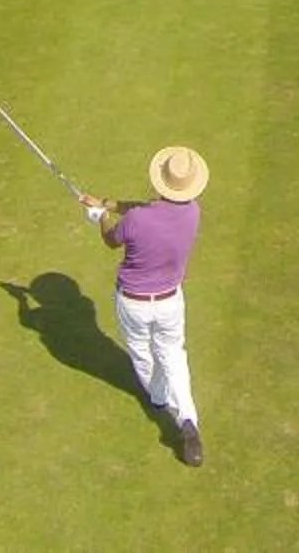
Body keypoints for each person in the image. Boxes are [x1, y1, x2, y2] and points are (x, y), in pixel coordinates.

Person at [80, 144, 209, 466]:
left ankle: (157, 398)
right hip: (169, 300)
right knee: (173, 355)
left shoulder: (137, 220)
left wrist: (100, 216)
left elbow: (111, 240)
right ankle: (188, 419)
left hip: (134, 302)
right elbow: (146, 210)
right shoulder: (193, 211)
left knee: (141, 349)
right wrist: (107, 202)